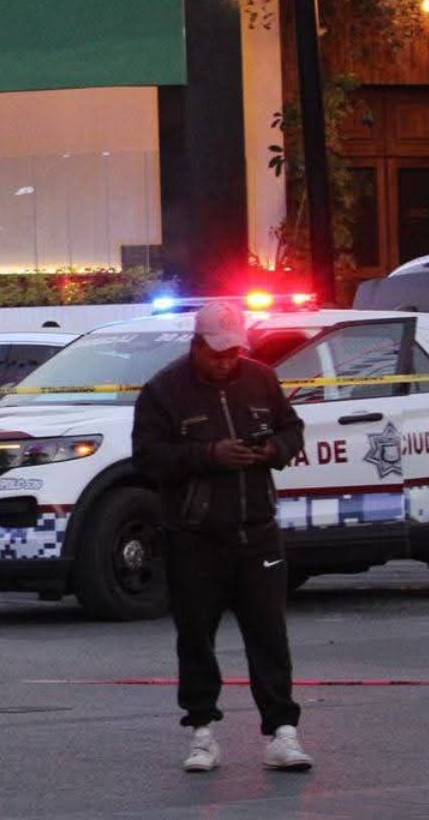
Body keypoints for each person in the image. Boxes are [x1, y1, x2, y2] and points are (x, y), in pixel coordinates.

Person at [131, 301, 313, 774]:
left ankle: (282, 733)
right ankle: (201, 733)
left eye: (233, 352)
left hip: (257, 531)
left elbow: (293, 430)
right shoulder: (162, 391)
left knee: (269, 633)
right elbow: (148, 458)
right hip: (194, 536)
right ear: (196, 345)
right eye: (216, 353)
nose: (225, 362)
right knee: (196, 636)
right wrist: (209, 454)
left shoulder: (261, 379)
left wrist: (273, 449)